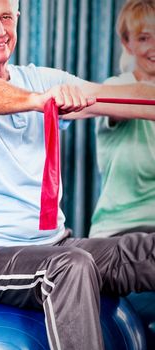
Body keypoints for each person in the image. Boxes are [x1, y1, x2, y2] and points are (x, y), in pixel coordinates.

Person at [0, 0, 155, 349]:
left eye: (5, 18)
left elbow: (124, 96)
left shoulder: (40, 77)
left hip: (51, 245)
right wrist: (40, 100)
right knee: (68, 266)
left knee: (146, 250)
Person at [90, 0, 155, 238]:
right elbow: (127, 102)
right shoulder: (116, 87)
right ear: (126, 43)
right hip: (119, 231)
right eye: (144, 38)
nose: (153, 47)